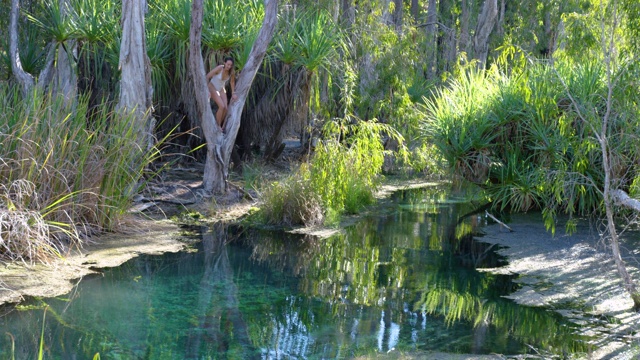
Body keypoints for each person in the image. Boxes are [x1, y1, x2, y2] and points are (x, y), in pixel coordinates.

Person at [206, 57, 237, 131]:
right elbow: (207, 76)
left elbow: (232, 82)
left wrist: (233, 93)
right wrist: (206, 90)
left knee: (226, 108)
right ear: (224, 63)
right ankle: (218, 125)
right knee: (221, 106)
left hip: (221, 88)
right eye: (228, 64)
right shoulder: (220, 68)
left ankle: (220, 124)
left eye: (230, 65)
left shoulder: (231, 72)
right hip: (212, 87)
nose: (229, 66)